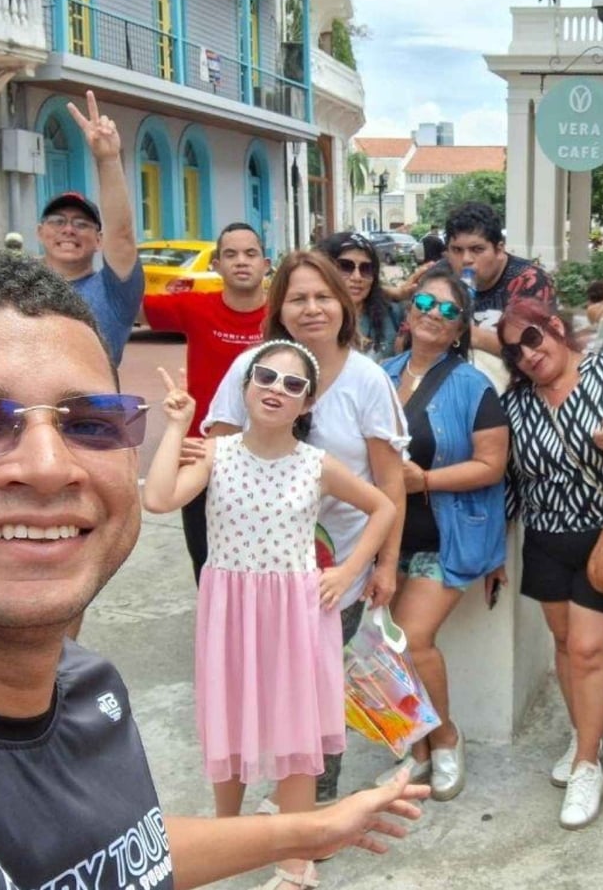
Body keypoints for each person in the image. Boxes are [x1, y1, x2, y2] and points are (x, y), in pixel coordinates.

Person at [0, 253, 426, 890]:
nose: (47, 466)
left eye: (90, 423)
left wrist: (315, 832)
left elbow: (126, 850)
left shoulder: (92, 688)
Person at [145, 342, 397, 890]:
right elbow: (160, 499)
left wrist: (348, 569)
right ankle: (225, 841)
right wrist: (177, 426)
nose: (276, 389)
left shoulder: (317, 465)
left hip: (296, 613)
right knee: (228, 724)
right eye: (266, 377)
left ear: (308, 403)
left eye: (292, 385)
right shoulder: (218, 453)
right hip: (229, 610)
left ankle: (296, 866)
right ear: (246, 384)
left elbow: (384, 505)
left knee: (294, 737)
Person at [203, 251, 408, 802]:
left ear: (343, 304)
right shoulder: (253, 369)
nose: (312, 309)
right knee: (261, 687)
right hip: (255, 569)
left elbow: (390, 486)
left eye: (323, 296)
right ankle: (278, 796)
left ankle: (310, 811)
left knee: (317, 694)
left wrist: (377, 565)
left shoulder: (367, 381)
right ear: (280, 309)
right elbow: (213, 457)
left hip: (332, 572)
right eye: (298, 298)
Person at [499, 297, 603, 830]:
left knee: (592, 650)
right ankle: (584, 732)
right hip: (546, 538)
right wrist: (490, 553)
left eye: (532, 338)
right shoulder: (517, 404)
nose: (528, 355)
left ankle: (587, 764)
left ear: (555, 328)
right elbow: (511, 481)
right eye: (514, 351)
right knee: (566, 647)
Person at [376, 267, 509, 801]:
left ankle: (446, 736)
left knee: (411, 638)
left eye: (450, 310)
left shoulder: (474, 386)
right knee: (385, 647)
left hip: (447, 534)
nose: (435, 313)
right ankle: (420, 749)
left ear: (460, 329)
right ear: (409, 313)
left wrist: (423, 479)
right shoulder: (380, 374)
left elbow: (491, 465)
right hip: (385, 536)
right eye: (426, 303)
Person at [142, 222, 270, 582]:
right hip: (204, 454)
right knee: (207, 561)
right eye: (230, 254)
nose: (241, 262)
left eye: (250, 253)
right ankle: (219, 634)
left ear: (266, 263)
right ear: (215, 265)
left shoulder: (285, 314)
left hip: (269, 455)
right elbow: (129, 302)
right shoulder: (194, 306)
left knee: (267, 560)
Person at [37, 90, 145, 367]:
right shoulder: (15, 288)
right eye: (58, 221)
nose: (69, 230)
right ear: (40, 233)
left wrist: (107, 159)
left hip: (92, 410)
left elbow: (121, 234)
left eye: (81, 224)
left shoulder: (113, 292)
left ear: (99, 241)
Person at [443, 201, 556, 356]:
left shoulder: (530, 280)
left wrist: (466, 334)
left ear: (499, 250)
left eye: (477, 249)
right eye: (456, 250)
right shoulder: (440, 279)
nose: (466, 259)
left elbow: (534, 350)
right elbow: (404, 342)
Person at [318, 231, 402, 361]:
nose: (357, 277)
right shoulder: (313, 318)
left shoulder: (393, 314)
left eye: (366, 269)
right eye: (345, 266)